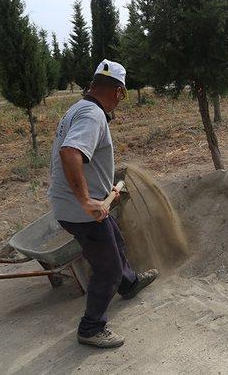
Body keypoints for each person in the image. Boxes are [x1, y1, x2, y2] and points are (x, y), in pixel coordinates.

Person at [48, 60, 158, 348]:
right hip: (79, 210)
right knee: (106, 267)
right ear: (119, 92)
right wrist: (86, 200)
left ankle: (129, 282)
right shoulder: (93, 115)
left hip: (77, 203)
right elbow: (71, 153)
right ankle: (91, 327)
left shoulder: (80, 108)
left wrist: (101, 187)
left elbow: (84, 157)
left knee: (114, 241)